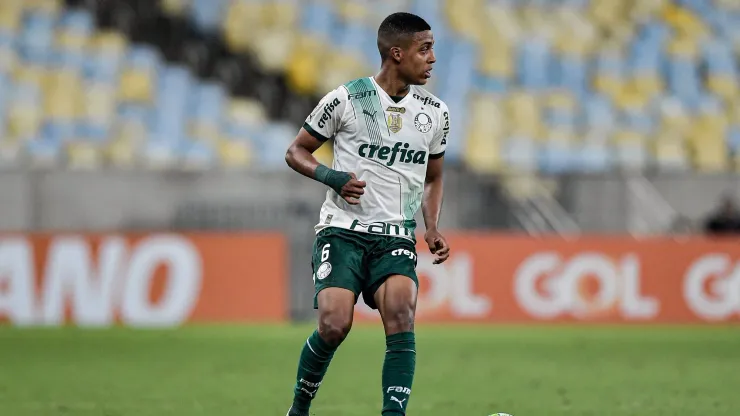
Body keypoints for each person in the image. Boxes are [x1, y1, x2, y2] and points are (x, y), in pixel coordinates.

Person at [283, 12, 451, 416]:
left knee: (400, 313)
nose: (432, 59)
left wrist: (431, 228)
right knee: (334, 324)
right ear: (397, 53)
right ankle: (299, 409)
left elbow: (433, 177)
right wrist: (333, 177)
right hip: (342, 230)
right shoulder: (346, 99)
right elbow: (296, 151)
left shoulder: (436, 112)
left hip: (394, 236)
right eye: (424, 49)